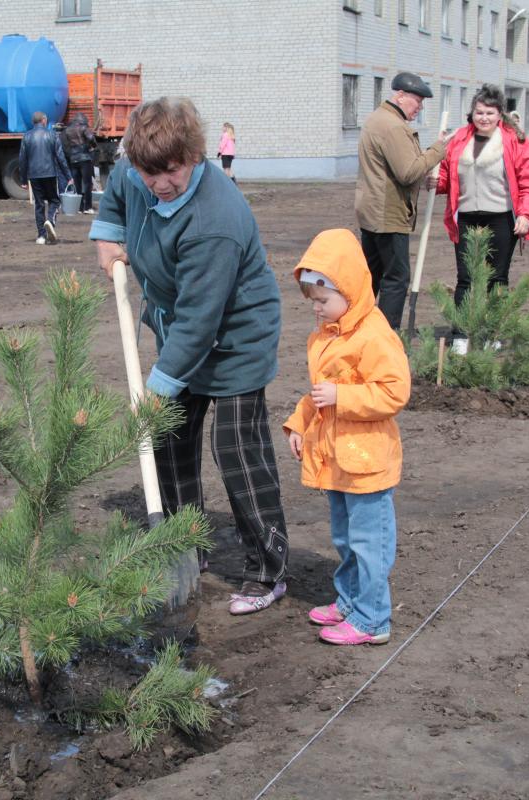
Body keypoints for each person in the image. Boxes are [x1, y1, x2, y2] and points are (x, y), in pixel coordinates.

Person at [89, 97, 290, 615]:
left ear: (196, 156)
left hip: (235, 337)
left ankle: (267, 570)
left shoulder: (213, 221)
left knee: (236, 450)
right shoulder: (136, 172)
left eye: (171, 171)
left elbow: (203, 320)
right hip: (181, 328)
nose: (159, 183)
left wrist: (155, 387)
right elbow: (115, 195)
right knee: (169, 439)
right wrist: (109, 237)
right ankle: (184, 545)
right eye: (148, 171)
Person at [283, 229, 411, 646]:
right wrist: (300, 424)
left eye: (323, 301)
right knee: (344, 537)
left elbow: (394, 391)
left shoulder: (374, 335)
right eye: (313, 302)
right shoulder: (326, 336)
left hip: (367, 462)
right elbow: (320, 393)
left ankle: (373, 619)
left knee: (369, 542)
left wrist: (344, 396)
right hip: (338, 460)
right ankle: (350, 599)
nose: (317, 310)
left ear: (350, 290)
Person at [431, 84, 529, 355]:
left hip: (502, 218)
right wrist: (435, 181)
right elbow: (447, 175)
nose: (483, 118)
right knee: (465, 278)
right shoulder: (459, 138)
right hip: (467, 218)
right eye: (479, 112)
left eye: (489, 113)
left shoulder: (514, 141)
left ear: (500, 114)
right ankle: (461, 335)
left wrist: (527, 214)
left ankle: (493, 333)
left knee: (497, 279)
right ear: (472, 112)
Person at [356, 71, 451, 330]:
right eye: (417, 101)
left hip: (373, 211)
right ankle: (386, 337)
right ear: (400, 95)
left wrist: (423, 176)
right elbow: (407, 171)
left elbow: (389, 170)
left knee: (370, 277)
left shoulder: (377, 118)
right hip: (389, 214)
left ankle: (357, 328)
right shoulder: (394, 126)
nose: (420, 107)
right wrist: (437, 151)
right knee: (396, 279)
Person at [19, 111, 71, 244]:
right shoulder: (52, 135)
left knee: (39, 204)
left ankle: (41, 236)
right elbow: (60, 157)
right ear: (43, 120)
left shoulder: (27, 136)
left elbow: (22, 159)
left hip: (34, 175)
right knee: (54, 201)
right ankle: (50, 222)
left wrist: (23, 180)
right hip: (50, 173)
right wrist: (68, 176)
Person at [61, 112, 97, 214]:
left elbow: (65, 145)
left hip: (73, 159)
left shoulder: (67, 130)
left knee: (77, 184)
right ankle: (88, 207)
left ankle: (80, 207)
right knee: (87, 183)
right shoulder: (84, 128)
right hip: (85, 158)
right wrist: (93, 146)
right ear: (82, 121)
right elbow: (91, 138)